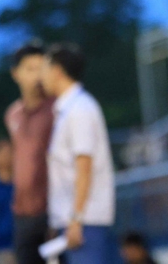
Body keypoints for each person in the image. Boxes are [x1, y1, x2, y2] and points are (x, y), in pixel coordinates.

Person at [42, 43, 115, 264]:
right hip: (75, 221)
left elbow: (84, 167)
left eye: (44, 69)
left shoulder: (80, 109)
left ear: (57, 70)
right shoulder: (67, 109)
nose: (41, 77)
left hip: (85, 222)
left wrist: (76, 218)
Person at [4, 40, 55, 264]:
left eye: (41, 68)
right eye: (30, 69)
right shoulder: (12, 114)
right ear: (16, 73)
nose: (37, 76)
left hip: (51, 210)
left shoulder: (57, 109)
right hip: (23, 213)